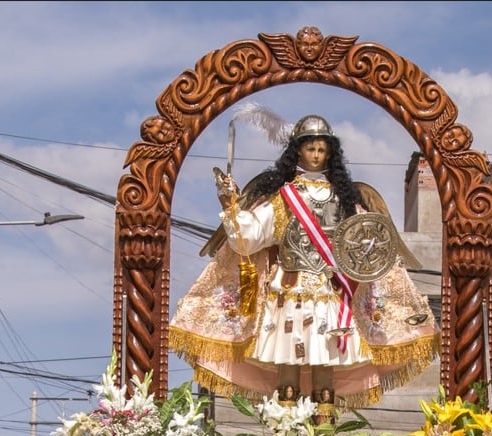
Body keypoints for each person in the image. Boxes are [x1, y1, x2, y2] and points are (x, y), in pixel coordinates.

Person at [168, 112, 439, 408]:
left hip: (329, 292)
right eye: (311, 149)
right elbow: (250, 237)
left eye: (322, 150)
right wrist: (232, 207)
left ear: (331, 153)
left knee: (326, 368)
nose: (316, 155)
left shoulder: (344, 199)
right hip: (289, 290)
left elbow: (365, 240)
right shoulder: (284, 197)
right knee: (287, 368)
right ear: (298, 149)